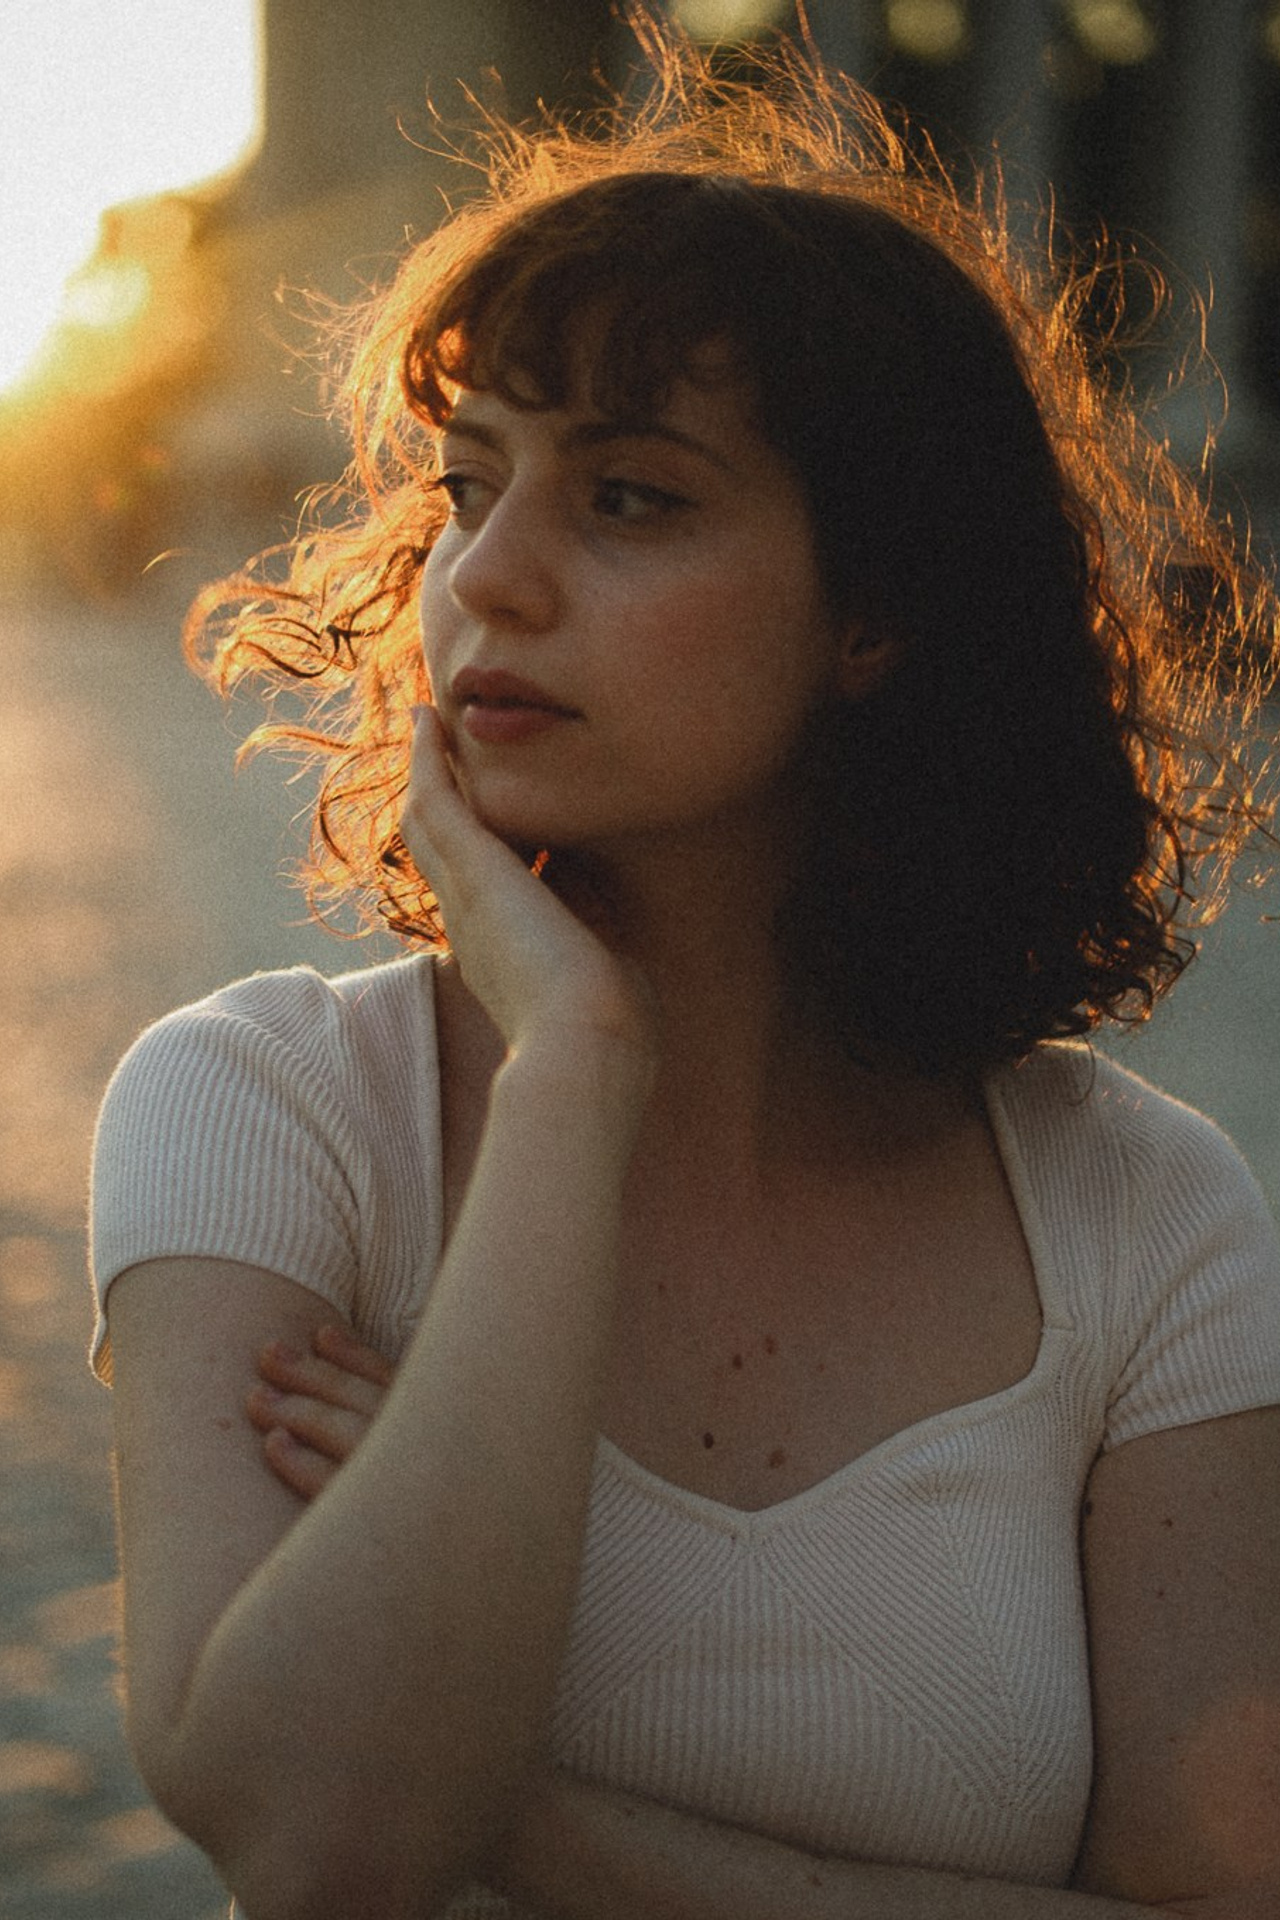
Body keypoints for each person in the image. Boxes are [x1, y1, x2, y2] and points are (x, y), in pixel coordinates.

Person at [89, 25, 1280, 1920]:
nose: (488, 579)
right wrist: (572, 1064)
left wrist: (528, 1815)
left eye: (630, 497)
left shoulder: (1146, 1221)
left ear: (873, 612)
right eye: (468, 487)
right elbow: (324, 1846)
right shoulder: (265, 1116)